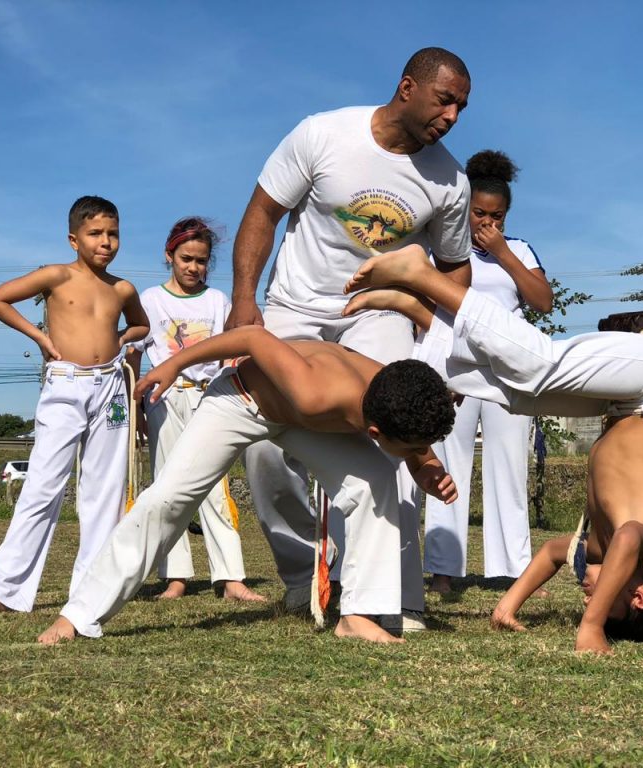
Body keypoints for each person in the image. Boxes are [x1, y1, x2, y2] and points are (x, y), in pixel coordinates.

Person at [226, 47, 474, 630]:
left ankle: (393, 597)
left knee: (402, 433)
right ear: (408, 87)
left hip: (376, 314)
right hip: (296, 305)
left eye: (463, 106)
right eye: (445, 100)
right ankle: (300, 576)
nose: (453, 116)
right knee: (265, 447)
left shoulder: (450, 180)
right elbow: (262, 212)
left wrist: (423, 318)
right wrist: (244, 300)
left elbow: (456, 268)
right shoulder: (323, 134)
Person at [343, 245, 643, 653]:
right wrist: (591, 627)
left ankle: (423, 315)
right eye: (597, 604)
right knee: (539, 365)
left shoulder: (596, 549)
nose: (585, 600)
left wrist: (508, 605)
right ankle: (421, 274)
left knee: (516, 395)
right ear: (638, 597)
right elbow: (628, 539)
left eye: (587, 608)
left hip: (624, 402)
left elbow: (550, 554)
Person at [36, 325, 457, 646]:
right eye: (414, 447)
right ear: (373, 431)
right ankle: (79, 613)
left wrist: (424, 464)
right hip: (240, 401)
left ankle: (359, 616)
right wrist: (174, 363)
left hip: (295, 419)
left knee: (377, 478)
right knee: (168, 500)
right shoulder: (317, 392)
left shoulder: (396, 388)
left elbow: (407, 435)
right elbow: (253, 336)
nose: (420, 452)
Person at [0, 196, 149, 614]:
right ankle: (5, 589)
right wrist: (41, 338)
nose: (106, 242)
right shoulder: (56, 275)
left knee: (105, 490)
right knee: (44, 483)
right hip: (66, 384)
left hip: (111, 388)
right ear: (73, 238)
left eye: (113, 234)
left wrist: (120, 340)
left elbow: (142, 324)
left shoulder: (122, 288)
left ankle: (92, 588)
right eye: (95, 233)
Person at [424, 149, 553, 595]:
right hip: (454, 366)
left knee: (507, 466)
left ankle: (513, 569)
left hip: (507, 369)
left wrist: (503, 254)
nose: (487, 223)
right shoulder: (443, 248)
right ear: (464, 207)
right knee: (447, 464)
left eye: (496, 216)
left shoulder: (517, 249)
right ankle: (444, 568)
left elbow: (542, 301)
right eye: (479, 213)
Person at [127, 216, 266, 602]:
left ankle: (230, 577)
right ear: (169, 255)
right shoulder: (150, 300)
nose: (194, 267)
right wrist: (136, 405)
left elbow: (232, 353)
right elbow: (136, 355)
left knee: (214, 486)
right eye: (186, 258)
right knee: (168, 485)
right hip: (164, 400)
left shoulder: (218, 301)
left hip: (210, 398)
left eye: (202, 261)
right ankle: (175, 576)